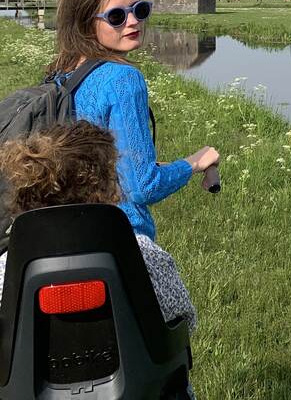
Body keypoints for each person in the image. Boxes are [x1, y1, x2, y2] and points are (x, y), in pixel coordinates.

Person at [45, 0, 219, 241]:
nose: (133, 22)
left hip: (71, 230)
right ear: (86, 22)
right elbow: (143, 187)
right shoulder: (123, 79)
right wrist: (195, 162)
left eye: (139, 10)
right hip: (120, 236)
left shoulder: (63, 71)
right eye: (116, 16)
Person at [0, 121, 197, 333]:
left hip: (27, 368)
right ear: (105, 186)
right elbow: (185, 322)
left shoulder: (7, 268)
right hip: (133, 366)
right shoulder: (144, 255)